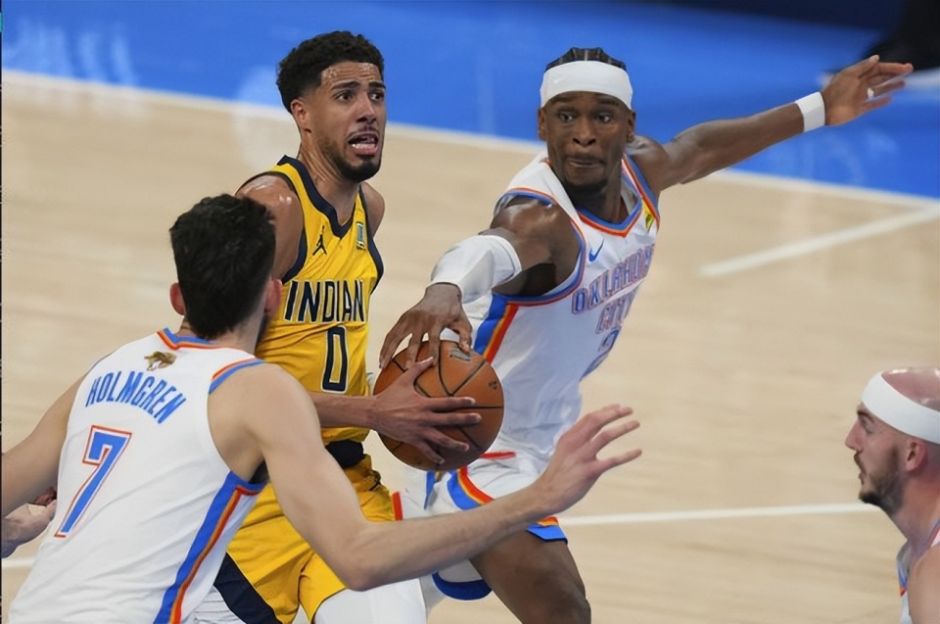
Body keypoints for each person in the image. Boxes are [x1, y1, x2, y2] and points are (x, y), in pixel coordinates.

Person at [379, 47, 914, 623]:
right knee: (563, 609)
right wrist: (446, 286)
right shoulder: (540, 219)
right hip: (477, 440)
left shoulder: (641, 171)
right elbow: (488, 249)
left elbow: (699, 148)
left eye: (602, 116)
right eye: (566, 116)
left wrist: (820, 108)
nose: (584, 134)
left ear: (628, 126)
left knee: (396, 591)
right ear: (541, 124)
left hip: (544, 433)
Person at [1, 194, 643, 624]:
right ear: (275, 296)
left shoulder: (108, 367)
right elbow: (360, 557)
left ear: (176, 296)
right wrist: (536, 498)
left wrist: (11, 533)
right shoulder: (257, 389)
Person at [199, 32, 481, 624]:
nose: (368, 109)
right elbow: (210, 382)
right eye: (346, 95)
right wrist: (374, 411)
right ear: (302, 114)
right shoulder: (273, 209)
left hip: (343, 484)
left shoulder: (368, 210)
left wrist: (418, 389)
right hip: (251, 490)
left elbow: (319, 347)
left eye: (376, 93)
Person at [844, 367, 940, 624]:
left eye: (867, 428)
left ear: (912, 453)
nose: (851, 440)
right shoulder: (918, 554)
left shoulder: (936, 574)